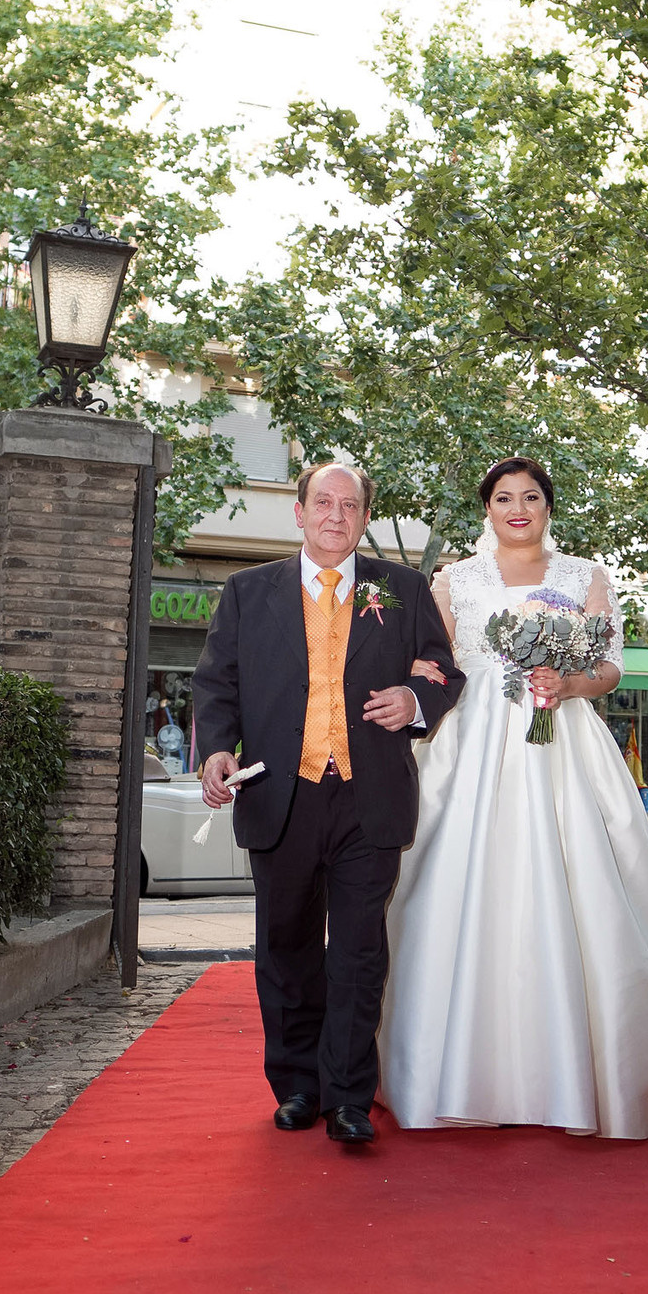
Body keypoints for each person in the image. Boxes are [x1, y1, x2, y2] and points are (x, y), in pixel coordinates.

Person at [378, 456, 648, 1139]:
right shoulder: (453, 580)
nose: (518, 508)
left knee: (576, 885)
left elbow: (610, 666)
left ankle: (585, 1073)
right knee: (454, 887)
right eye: (504, 497)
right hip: (469, 748)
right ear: (488, 508)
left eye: (531, 496)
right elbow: (432, 662)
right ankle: (451, 1070)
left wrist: (568, 683)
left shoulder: (584, 576)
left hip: (561, 742)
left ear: (548, 507)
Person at [191, 463, 464, 1145]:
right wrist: (217, 749)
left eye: (349, 504)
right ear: (300, 512)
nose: (335, 515)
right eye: (323, 501)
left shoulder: (400, 588)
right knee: (285, 947)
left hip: (370, 796)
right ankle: (297, 1086)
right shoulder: (248, 591)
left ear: (365, 517)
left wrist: (415, 699)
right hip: (279, 794)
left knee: (359, 951)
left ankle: (347, 1096)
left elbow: (442, 668)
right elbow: (217, 683)